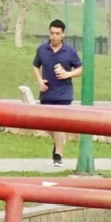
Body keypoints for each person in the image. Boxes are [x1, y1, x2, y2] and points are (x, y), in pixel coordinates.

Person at [31, 18, 82, 166]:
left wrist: (68, 74)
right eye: (52, 33)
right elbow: (35, 66)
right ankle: (59, 141)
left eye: (57, 33)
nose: (54, 36)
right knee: (46, 124)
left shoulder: (70, 52)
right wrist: (40, 81)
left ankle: (58, 154)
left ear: (63, 35)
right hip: (47, 92)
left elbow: (80, 69)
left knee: (60, 123)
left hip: (64, 93)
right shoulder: (42, 49)